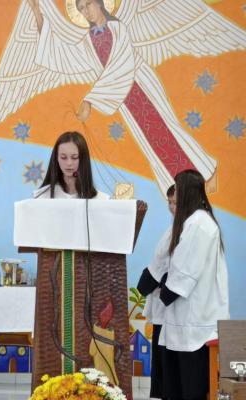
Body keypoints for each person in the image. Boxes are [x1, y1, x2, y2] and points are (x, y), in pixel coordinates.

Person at [23, 0, 219, 195]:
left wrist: (91, 99)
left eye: (88, 4)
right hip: (125, 99)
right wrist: (38, 15)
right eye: (81, 9)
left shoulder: (118, 28)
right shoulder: (87, 41)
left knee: (167, 130)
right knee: (150, 142)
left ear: (100, 4)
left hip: (141, 86)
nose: (85, 12)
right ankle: (181, 185)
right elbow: (61, 55)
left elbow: (120, 63)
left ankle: (206, 171)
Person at [158, 170, 229, 399]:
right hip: (186, 318)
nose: (175, 195)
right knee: (179, 386)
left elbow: (185, 269)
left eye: (177, 190)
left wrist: (166, 291)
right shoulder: (195, 220)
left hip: (196, 321)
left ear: (187, 191)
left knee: (191, 387)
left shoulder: (199, 223)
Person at [136, 184, 175, 400]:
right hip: (162, 302)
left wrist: (148, 284)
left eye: (176, 202)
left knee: (167, 364)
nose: (171, 207)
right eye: (169, 202)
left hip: (172, 302)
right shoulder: (173, 227)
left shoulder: (189, 228)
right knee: (159, 363)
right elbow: (157, 261)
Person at [34, 131, 109, 199]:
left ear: (83, 159)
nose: (69, 163)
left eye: (74, 157)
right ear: (56, 158)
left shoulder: (101, 200)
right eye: (63, 157)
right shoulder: (42, 197)